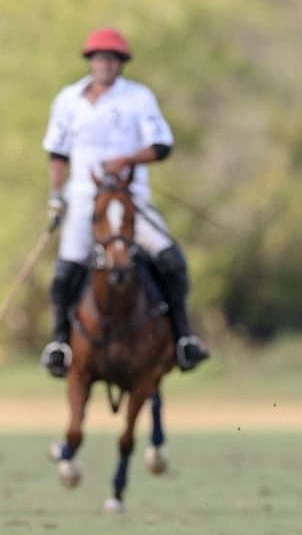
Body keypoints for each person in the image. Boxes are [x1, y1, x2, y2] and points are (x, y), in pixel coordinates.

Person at [40, 27, 210, 376]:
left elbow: (162, 146)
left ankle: (183, 340)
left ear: (121, 63)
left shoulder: (138, 98)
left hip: (130, 200)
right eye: (100, 58)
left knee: (171, 260)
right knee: (64, 272)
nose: (106, 64)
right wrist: (56, 197)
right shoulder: (67, 100)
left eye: (113, 59)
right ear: (91, 61)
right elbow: (57, 153)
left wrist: (127, 161)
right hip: (84, 200)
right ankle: (59, 344)